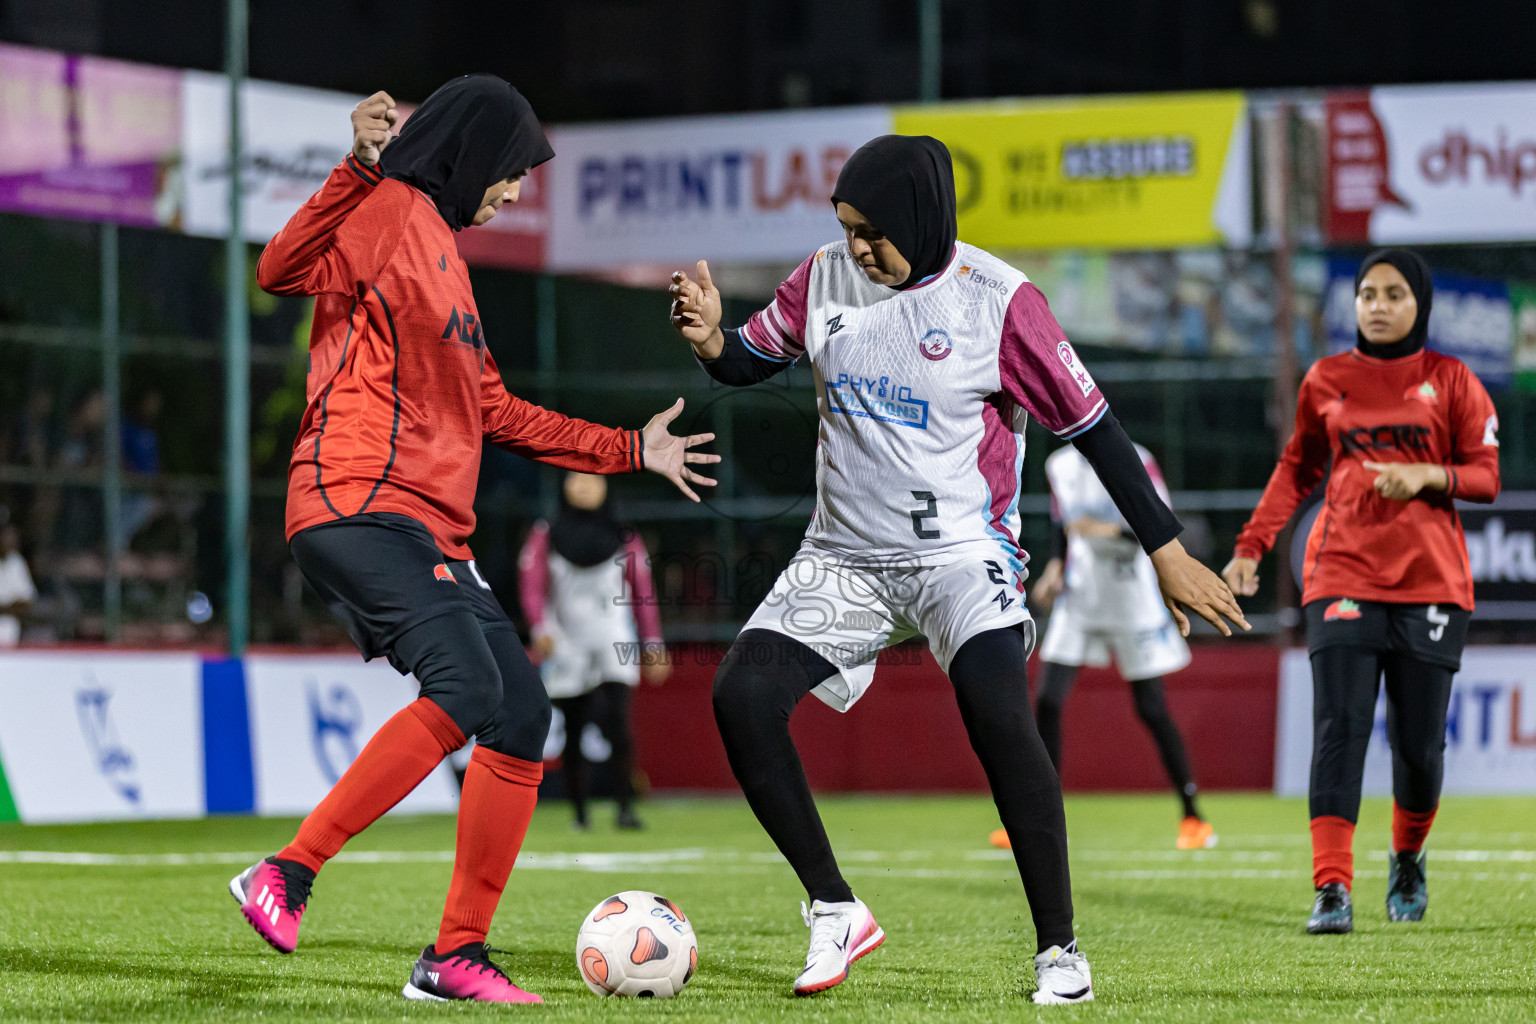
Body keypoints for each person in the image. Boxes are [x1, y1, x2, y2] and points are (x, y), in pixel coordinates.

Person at [668, 134, 1248, 1005]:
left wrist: (1165, 548)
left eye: (873, 231)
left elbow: (1096, 429)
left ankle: (1060, 952)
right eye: (847, 227)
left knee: (997, 713)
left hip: (962, 557)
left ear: (921, 218)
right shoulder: (824, 276)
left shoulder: (1001, 302)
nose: (857, 247)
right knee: (742, 696)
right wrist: (714, 339)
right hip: (844, 557)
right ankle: (835, 909)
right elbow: (752, 359)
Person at [229, 77, 718, 1005]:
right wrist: (355, 169)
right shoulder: (387, 209)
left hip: (430, 528)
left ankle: (455, 955)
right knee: (466, 685)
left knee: (521, 711)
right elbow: (280, 269)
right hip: (356, 500)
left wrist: (629, 448)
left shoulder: (446, 257)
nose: (516, 190)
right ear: (471, 154)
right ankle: (286, 871)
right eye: (512, 170)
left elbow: (495, 408)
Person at [1223, 249, 1499, 935]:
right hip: (1341, 572)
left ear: (1419, 304)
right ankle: (1331, 887)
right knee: (1339, 728)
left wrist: (1429, 475)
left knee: (1419, 749)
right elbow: (1297, 468)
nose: (1377, 305)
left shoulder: (1452, 379)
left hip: (1431, 582)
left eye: (1394, 294)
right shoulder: (1327, 379)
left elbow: (1486, 475)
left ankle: (1407, 857)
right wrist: (1251, 547)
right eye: (1367, 293)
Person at [999, 442, 1213, 853]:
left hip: (1132, 597)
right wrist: (1055, 567)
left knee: (1151, 708)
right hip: (1081, 596)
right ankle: (1036, 819)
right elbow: (1064, 524)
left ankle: (1193, 817)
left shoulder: (1137, 459)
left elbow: (1162, 528)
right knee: (1047, 701)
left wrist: (1108, 530)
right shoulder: (1059, 464)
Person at [518, 471, 669, 830]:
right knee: (573, 728)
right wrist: (540, 628)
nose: (584, 486)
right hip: (565, 641)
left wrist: (652, 642)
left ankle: (625, 808)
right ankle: (580, 813)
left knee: (618, 723)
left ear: (606, 487)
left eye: (593, 479)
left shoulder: (624, 535)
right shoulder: (546, 533)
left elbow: (643, 590)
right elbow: (531, 585)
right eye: (576, 478)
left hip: (613, 637)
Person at [0, 524, 35, 646]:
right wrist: (12, 606)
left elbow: (26, 603)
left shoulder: (17, 562)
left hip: (11, 635)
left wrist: (3, 608)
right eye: (5, 538)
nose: (9, 542)